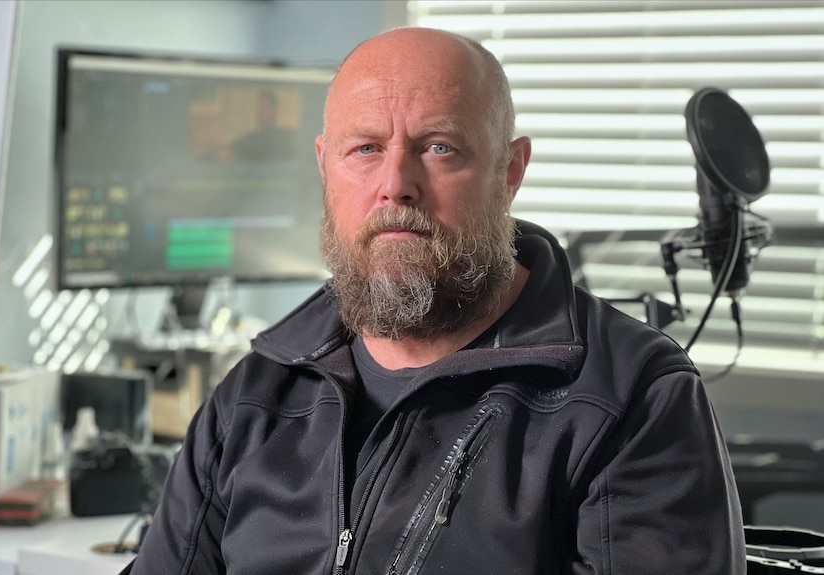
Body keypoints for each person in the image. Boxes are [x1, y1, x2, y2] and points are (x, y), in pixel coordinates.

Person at [122, 27, 745, 574]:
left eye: (439, 147)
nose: (395, 185)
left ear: (510, 171)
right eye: (364, 148)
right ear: (324, 167)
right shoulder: (256, 395)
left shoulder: (632, 400)